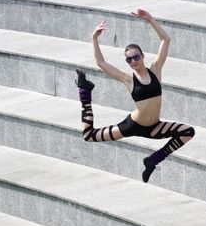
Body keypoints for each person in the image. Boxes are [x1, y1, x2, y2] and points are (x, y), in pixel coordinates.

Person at [75, 9, 195, 183]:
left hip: (154, 127)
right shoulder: (128, 79)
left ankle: (153, 160)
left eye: (136, 57)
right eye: (129, 59)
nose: (133, 61)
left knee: (188, 132)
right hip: (132, 125)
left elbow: (165, 40)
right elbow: (101, 63)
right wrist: (94, 38)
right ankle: (85, 92)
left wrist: (150, 20)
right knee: (89, 136)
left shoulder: (155, 69)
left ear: (142, 56)